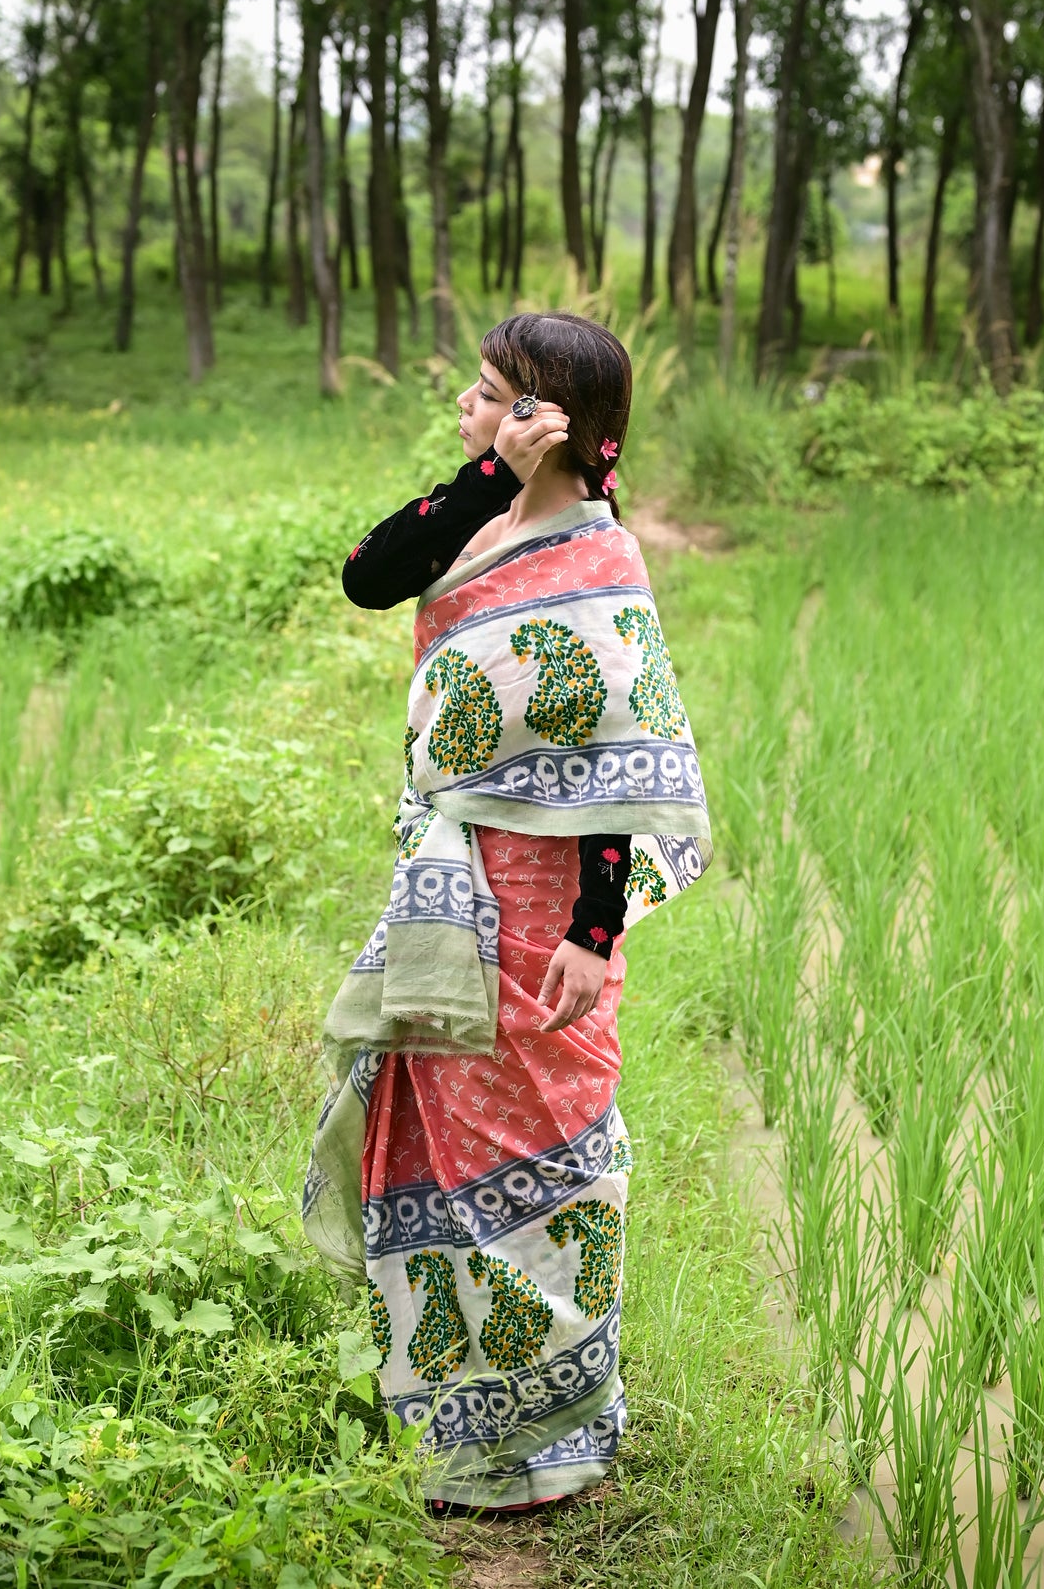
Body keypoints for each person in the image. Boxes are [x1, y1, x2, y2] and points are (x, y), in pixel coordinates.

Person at [303, 310, 710, 1511]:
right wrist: (491, 469)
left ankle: (560, 1439)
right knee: (440, 1158)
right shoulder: (475, 529)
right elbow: (368, 574)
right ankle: (463, 1430)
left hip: (542, 920)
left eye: (489, 398)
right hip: (447, 892)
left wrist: (595, 931)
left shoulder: (597, 561)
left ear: (557, 422)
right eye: (478, 394)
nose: (466, 410)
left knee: (555, 1166)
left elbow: (614, 765)